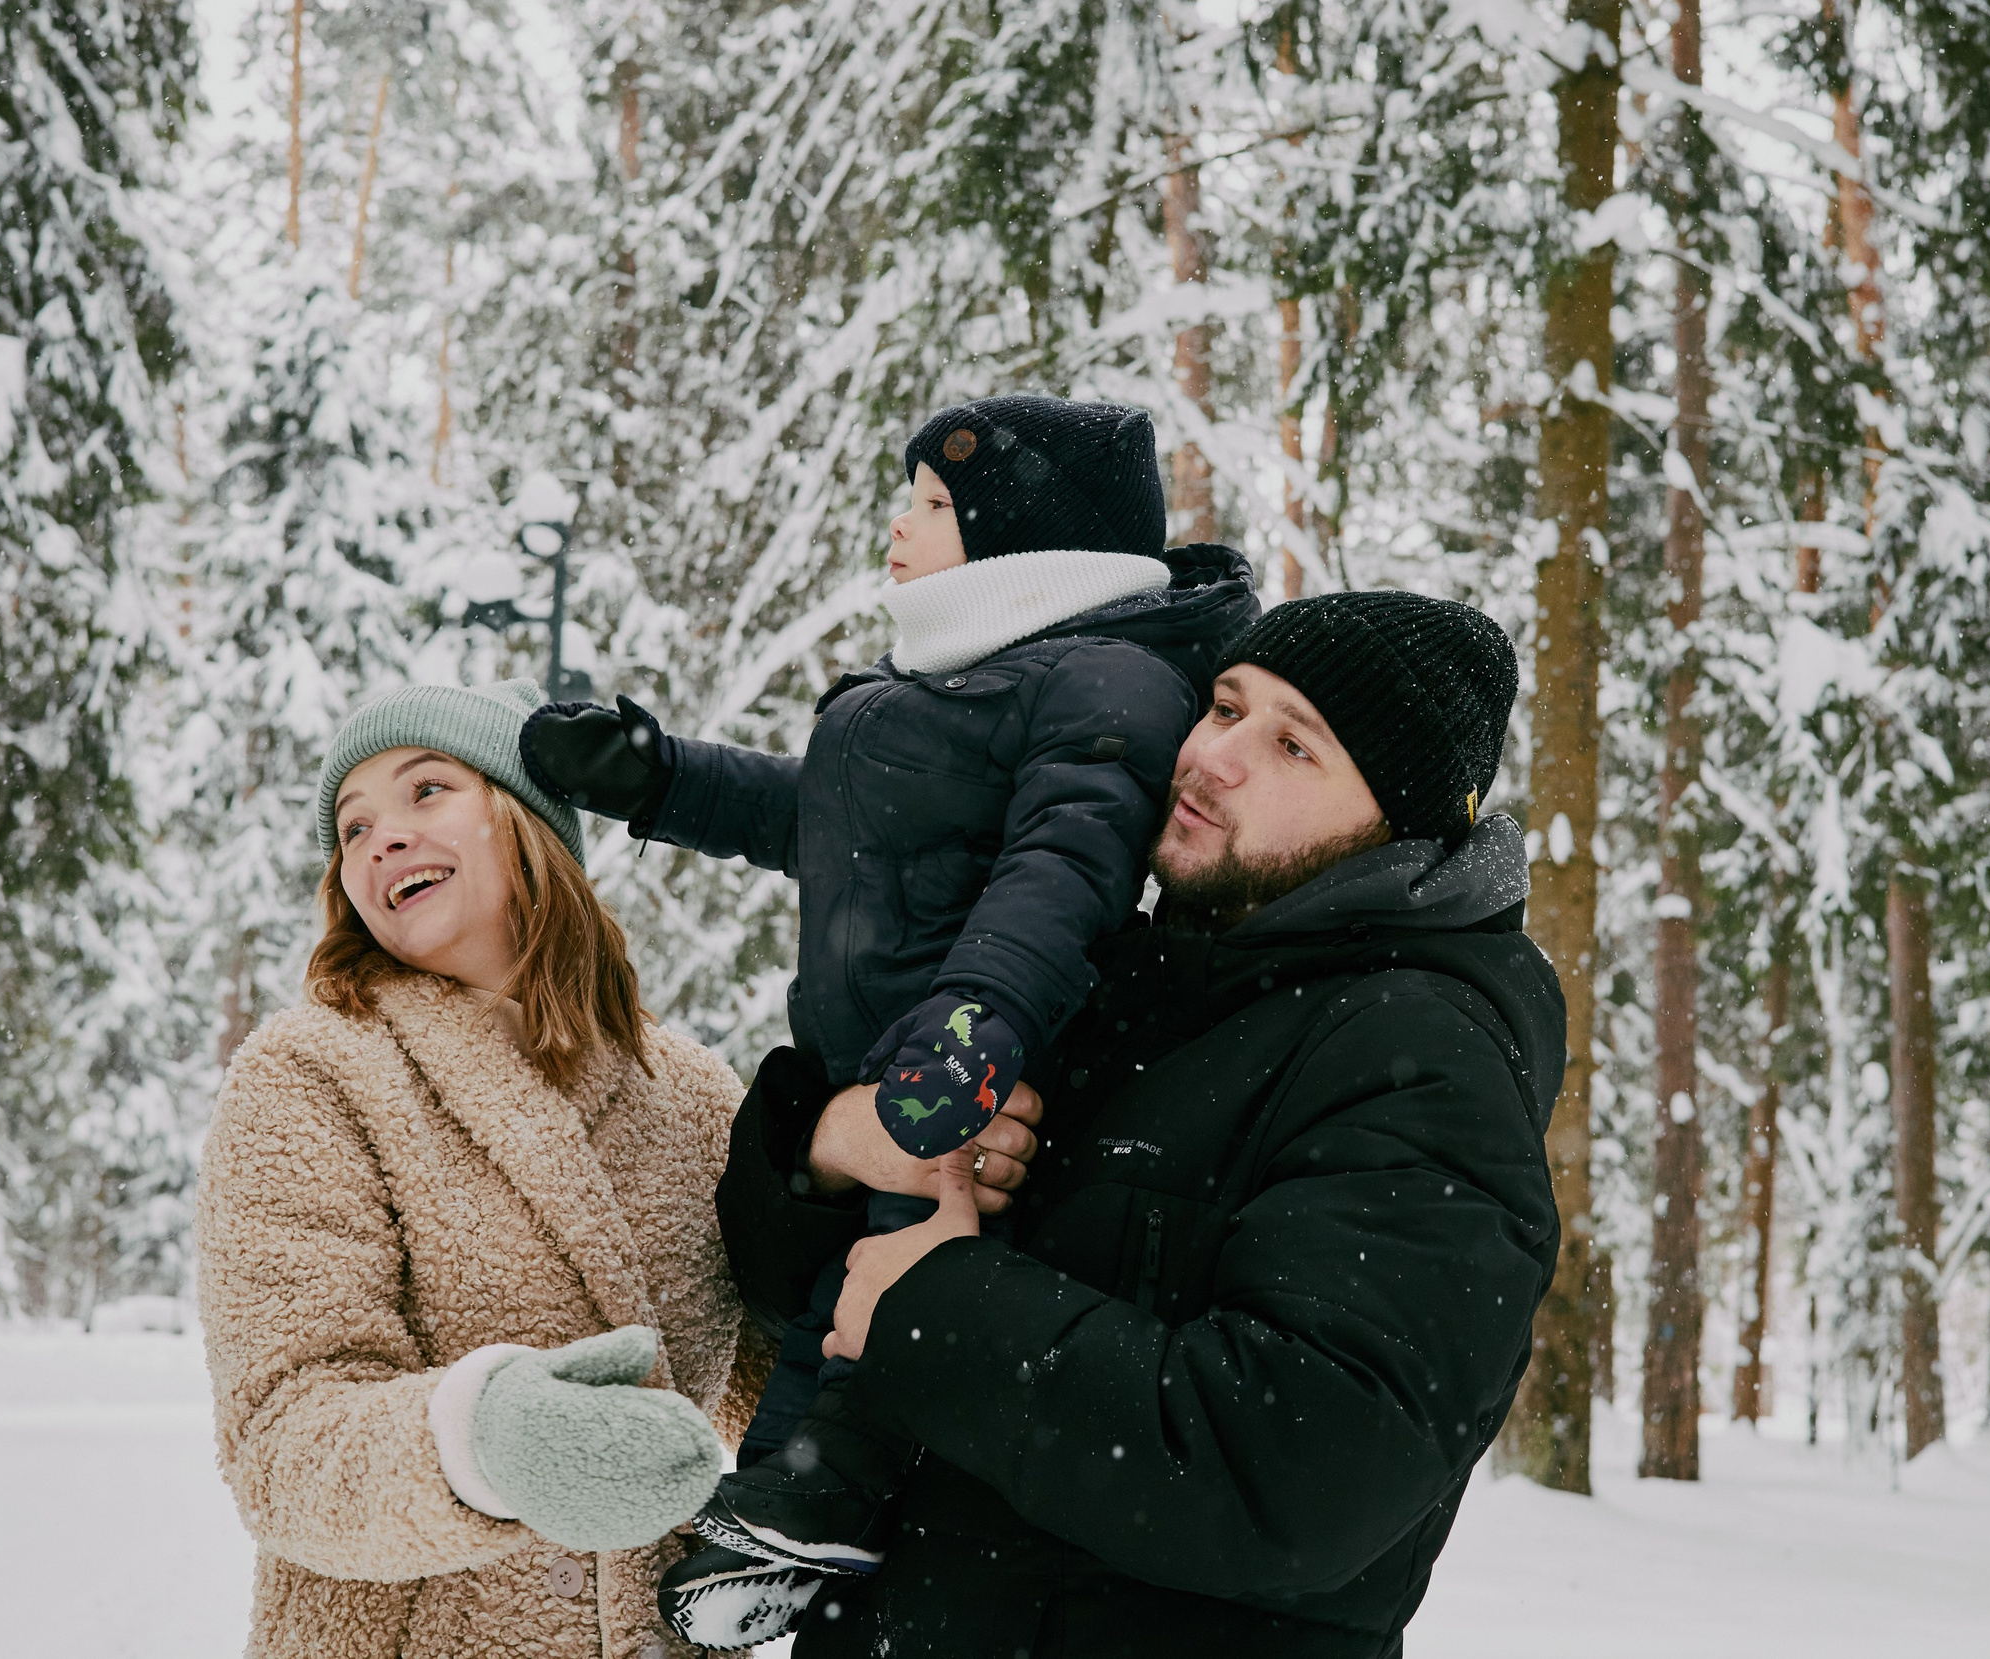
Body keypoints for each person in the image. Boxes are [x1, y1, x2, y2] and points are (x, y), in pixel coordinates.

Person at [519, 395, 1258, 1641]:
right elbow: (811, 817)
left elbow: (1061, 873)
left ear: (1022, 546)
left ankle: (820, 1500)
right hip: (891, 1067)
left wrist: (975, 1017)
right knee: (842, 1288)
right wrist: (657, 777)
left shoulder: (1102, 681)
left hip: (980, 1062)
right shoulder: (946, 688)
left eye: (929, 504)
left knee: (896, 1271)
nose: (898, 526)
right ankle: (785, 1505)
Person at [718, 591, 1569, 1657]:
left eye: (1293, 746)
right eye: (1224, 707)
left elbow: (1302, 1474)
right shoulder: (1111, 975)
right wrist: (835, 1154)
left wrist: (936, 1309)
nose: (1216, 757)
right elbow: (783, 1306)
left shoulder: (1420, 1057)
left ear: (1396, 821)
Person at [195, 677, 774, 1659]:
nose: (380, 837)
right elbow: (282, 1445)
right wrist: (482, 1440)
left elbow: (793, 1398)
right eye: (352, 827)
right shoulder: (310, 1078)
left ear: (528, 819)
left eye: (426, 792)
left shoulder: (690, 1099)